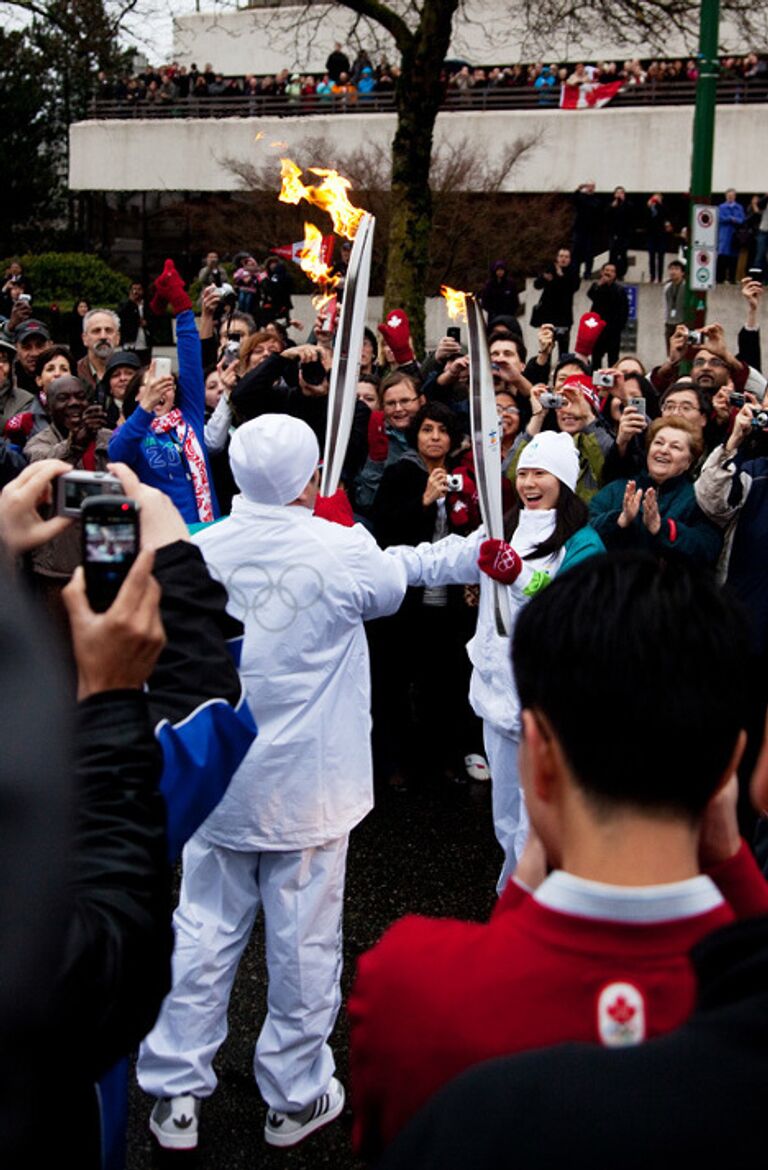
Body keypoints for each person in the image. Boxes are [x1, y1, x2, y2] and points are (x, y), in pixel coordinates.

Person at [351, 552, 768, 1161]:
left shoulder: (408, 982)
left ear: (539, 752)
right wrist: (731, 859)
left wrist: (521, 889)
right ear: (732, 763)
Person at [136, 414, 407, 1153]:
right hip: (310, 793)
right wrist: (340, 524)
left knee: (201, 935)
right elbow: (390, 591)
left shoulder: (194, 548)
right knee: (303, 944)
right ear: (311, 475)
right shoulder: (344, 549)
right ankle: (293, 1096)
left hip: (219, 784)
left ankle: (175, 1095)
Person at [388, 431, 604, 891]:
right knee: (506, 819)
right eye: (523, 472)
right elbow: (440, 560)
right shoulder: (500, 528)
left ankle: (535, 912)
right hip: (496, 696)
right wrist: (373, 561)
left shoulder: (582, 542)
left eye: (540, 473)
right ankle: (514, 896)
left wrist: (521, 574)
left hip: (545, 706)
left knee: (539, 821)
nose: (529, 482)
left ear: (563, 481)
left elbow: (575, 601)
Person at [108, 261, 218, 525]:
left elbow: (191, 362)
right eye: (150, 385)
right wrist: (145, 409)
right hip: (161, 537)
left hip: (207, 530)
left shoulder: (189, 417)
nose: (159, 391)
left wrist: (182, 308)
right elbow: (118, 455)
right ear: (136, 395)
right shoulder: (130, 432)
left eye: (166, 385)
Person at [589, 416, 721, 566]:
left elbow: (708, 548)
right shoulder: (618, 488)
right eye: (658, 443)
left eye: (675, 447)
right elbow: (585, 533)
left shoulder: (698, 498)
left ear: (688, 462)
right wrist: (620, 520)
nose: (664, 450)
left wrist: (662, 528)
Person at [531, 248, 581, 356]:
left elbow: (574, 287)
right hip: (548, 315)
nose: (563, 259)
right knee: (546, 347)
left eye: (566, 257)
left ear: (570, 259)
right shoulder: (550, 269)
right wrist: (544, 278)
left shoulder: (573, 272)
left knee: (563, 348)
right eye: (561, 256)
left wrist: (560, 275)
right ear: (557, 258)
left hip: (564, 316)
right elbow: (536, 285)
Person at [587, 263, 630, 367]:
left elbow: (624, 310)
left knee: (613, 360)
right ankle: (595, 381)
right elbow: (591, 295)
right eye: (606, 270)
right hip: (598, 330)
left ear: (615, 274)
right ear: (602, 272)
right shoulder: (596, 286)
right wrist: (599, 284)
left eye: (611, 271)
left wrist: (619, 327)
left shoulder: (619, 289)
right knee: (596, 358)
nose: (608, 273)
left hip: (613, 330)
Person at [717, 189, 747, 284]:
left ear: (735, 196)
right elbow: (720, 218)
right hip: (724, 235)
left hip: (735, 236)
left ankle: (732, 278)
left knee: (733, 258)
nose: (730, 197)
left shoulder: (739, 207)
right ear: (726, 196)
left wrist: (734, 219)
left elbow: (742, 219)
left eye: (732, 195)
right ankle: (720, 278)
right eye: (728, 196)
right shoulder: (721, 207)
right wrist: (731, 218)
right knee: (722, 257)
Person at [479, 260, 520, 325]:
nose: (500, 272)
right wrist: (492, 312)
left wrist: (511, 313)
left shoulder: (511, 284)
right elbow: (485, 301)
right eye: (498, 270)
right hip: (494, 317)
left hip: (508, 317)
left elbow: (515, 301)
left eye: (502, 270)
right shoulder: (489, 285)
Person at [663, 259, 687, 344]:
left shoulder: (686, 287)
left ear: (682, 273)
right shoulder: (667, 287)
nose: (673, 272)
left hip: (681, 322)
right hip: (669, 323)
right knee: (670, 350)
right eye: (671, 269)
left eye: (676, 269)